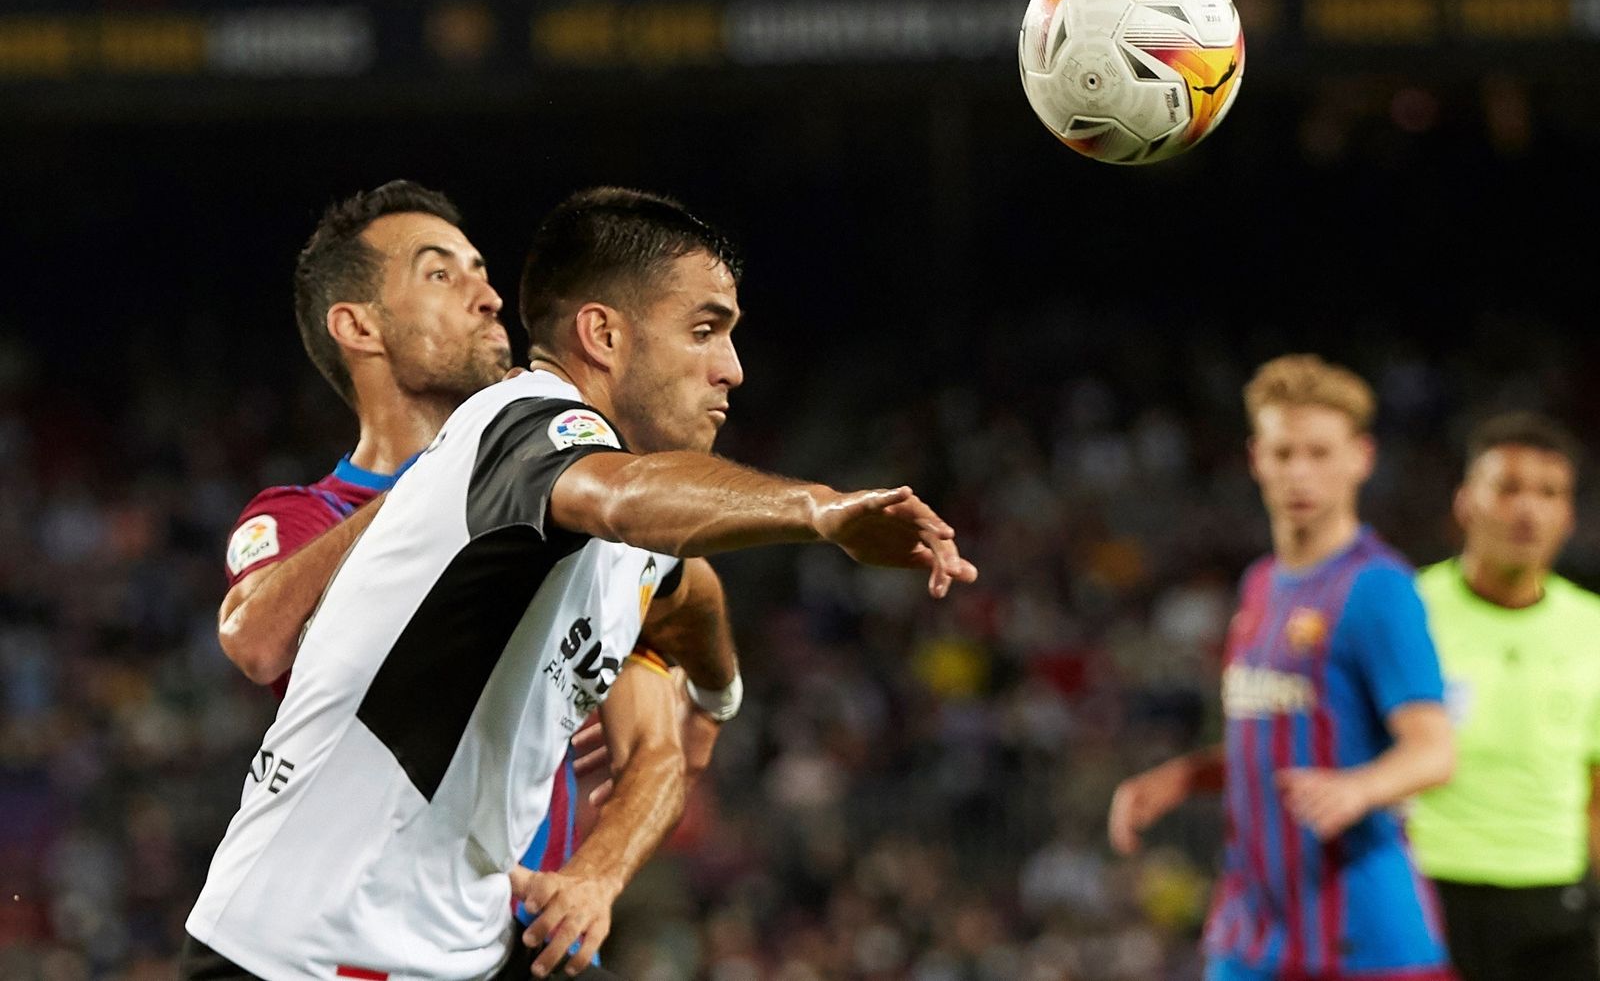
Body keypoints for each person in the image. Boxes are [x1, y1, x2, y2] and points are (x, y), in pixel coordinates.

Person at [182, 185, 977, 981]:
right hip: (296, 951)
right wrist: (821, 509)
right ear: (601, 333)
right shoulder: (526, 420)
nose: (732, 369)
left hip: (465, 944)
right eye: (704, 330)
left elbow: (687, 589)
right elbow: (626, 501)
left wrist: (714, 692)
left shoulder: (632, 520)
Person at [198, 181, 732, 980]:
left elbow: (656, 741)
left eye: (482, 271)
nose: (487, 297)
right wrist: (443, 480)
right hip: (355, 941)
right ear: (359, 326)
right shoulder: (305, 515)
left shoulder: (564, 503)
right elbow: (256, 639)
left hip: (518, 942)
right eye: (441, 274)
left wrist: (599, 873)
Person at [1107, 353, 1457, 981]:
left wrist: (1357, 789)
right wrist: (1187, 777)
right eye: (1284, 451)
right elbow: (1275, 731)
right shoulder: (1261, 585)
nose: (1300, 472)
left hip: (1360, 936)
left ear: (1361, 458)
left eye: (1320, 453)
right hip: (1251, 929)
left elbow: (1434, 750)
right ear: (1255, 459)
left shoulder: (1379, 589)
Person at [1408, 412, 1600, 981]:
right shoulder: (1406, 610)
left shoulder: (1592, 628)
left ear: (1568, 515)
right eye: (1508, 488)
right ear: (1465, 502)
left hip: (1553, 904)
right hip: (1424, 891)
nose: (1527, 509)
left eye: (1549, 493)